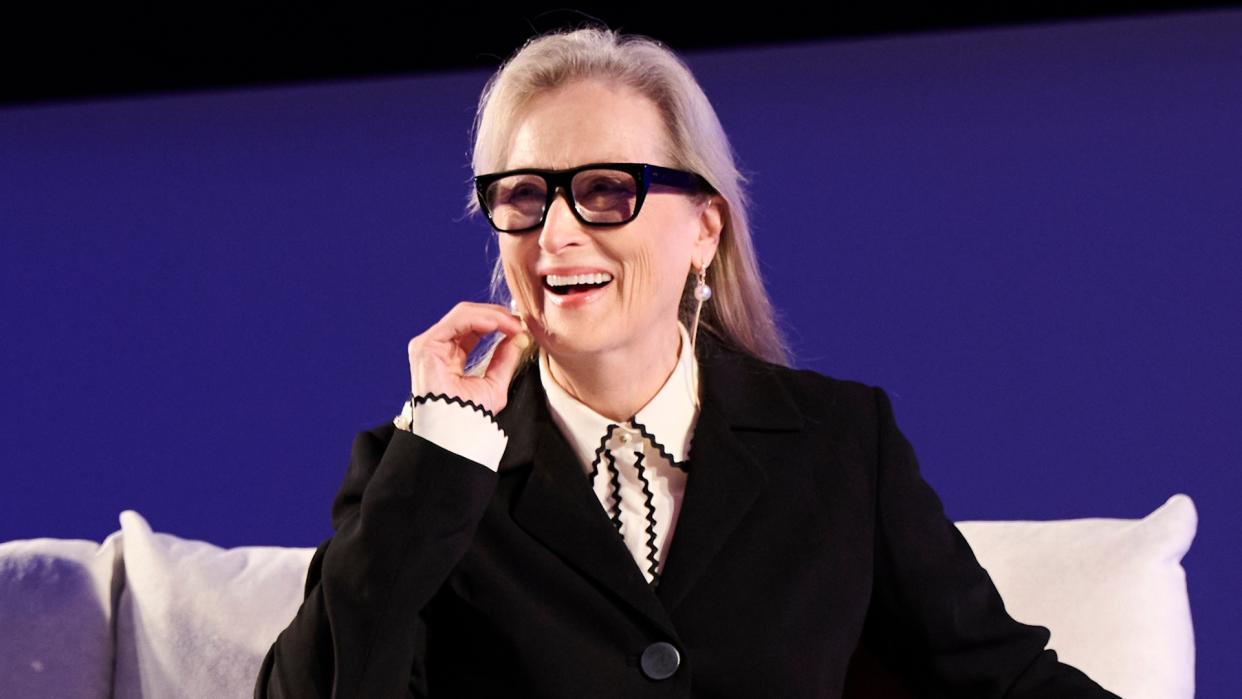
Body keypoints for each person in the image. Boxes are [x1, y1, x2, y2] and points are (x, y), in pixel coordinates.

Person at [255, 26, 1120, 698]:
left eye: (604, 190)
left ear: (704, 228)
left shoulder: (840, 447)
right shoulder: (425, 472)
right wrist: (443, 444)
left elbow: (1003, 681)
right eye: (524, 196)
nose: (556, 232)